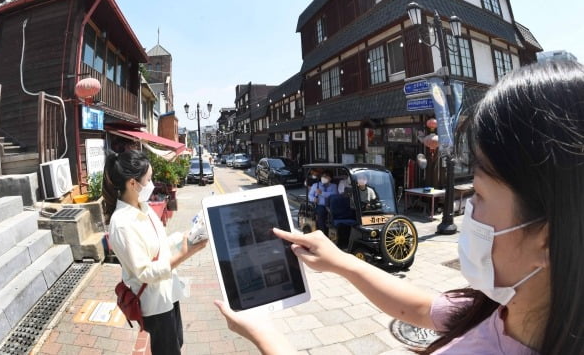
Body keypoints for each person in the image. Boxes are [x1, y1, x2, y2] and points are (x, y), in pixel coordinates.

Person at [215, 61, 584, 354]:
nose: (469, 207)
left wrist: (264, 334)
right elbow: (422, 307)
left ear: (546, 240)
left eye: (480, 195)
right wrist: (339, 260)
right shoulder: (502, 309)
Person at [103, 150, 206, 355]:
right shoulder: (122, 223)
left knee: (177, 342)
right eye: (148, 179)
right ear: (132, 183)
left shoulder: (143, 207)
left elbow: (159, 246)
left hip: (168, 293)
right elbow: (145, 272)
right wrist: (185, 254)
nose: (152, 184)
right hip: (155, 303)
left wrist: (186, 236)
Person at [307, 170, 338, 235]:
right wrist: (313, 199)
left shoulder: (334, 186)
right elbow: (310, 195)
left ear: (330, 178)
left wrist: (322, 193)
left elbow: (334, 194)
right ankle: (322, 233)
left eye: (326, 176)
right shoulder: (316, 185)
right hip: (320, 205)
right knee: (321, 213)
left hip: (331, 205)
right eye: (323, 176)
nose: (324, 178)